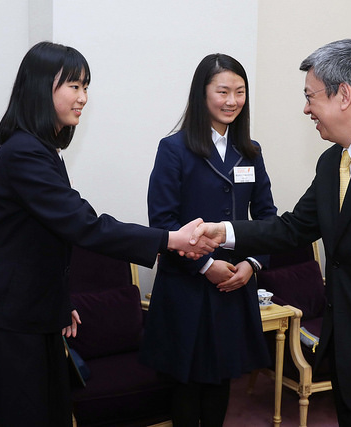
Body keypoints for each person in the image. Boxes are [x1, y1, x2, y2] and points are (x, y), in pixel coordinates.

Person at [0, 41, 216, 427]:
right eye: (74, 86)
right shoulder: (24, 152)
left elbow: (46, 239)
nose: (83, 98)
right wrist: (171, 239)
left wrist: (57, 299)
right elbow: (83, 224)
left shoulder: (41, 150)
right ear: (42, 87)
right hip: (1, 318)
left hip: (26, 309)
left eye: (86, 87)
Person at [191, 39, 351, 426]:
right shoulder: (333, 161)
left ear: (343, 95)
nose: (306, 108)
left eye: (310, 96)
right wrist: (225, 232)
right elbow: (293, 228)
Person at [139, 53, 277, 427]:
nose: (232, 100)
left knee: (220, 379)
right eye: (223, 91)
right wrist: (205, 265)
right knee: (186, 383)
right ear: (202, 95)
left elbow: (268, 219)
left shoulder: (250, 151)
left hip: (234, 282)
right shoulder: (174, 149)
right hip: (187, 283)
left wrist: (252, 264)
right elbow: (162, 221)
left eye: (240, 91)